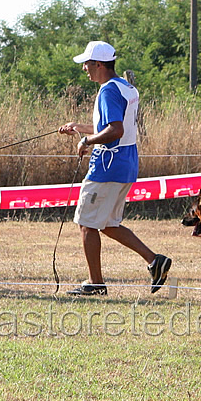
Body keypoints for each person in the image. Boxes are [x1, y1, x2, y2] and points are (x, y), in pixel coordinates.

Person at [59, 40, 171, 295]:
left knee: (86, 223)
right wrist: (80, 127)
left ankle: (95, 284)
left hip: (107, 166)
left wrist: (87, 141)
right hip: (126, 164)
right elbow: (116, 126)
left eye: (87, 64)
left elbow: (114, 130)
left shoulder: (108, 91)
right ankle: (156, 262)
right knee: (108, 223)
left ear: (99, 64)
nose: (84, 69)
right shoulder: (127, 87)